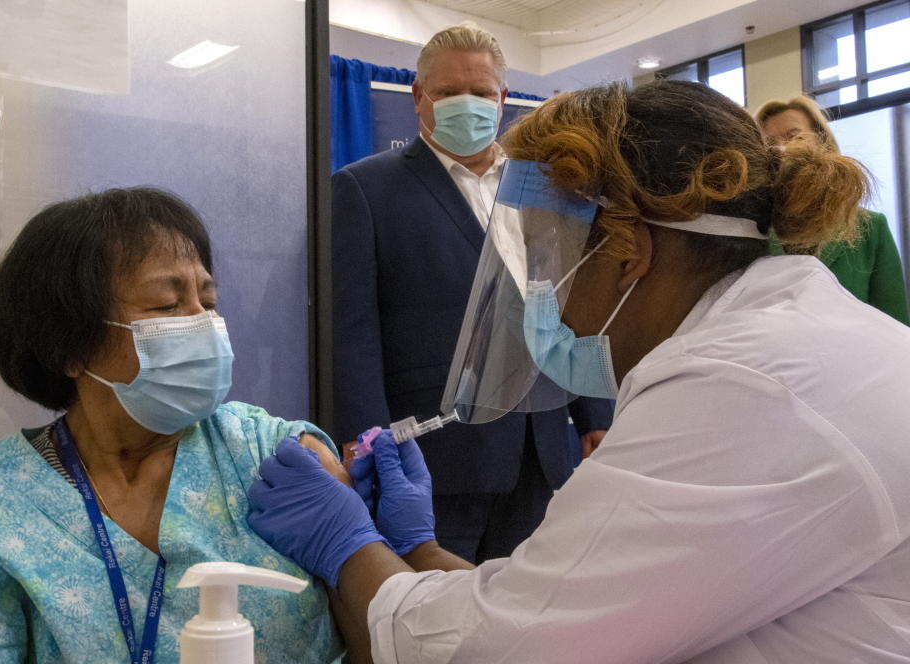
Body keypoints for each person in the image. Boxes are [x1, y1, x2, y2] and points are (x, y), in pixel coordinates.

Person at [249, 80, 910, 662]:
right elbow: (557, 606)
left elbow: (500, 650)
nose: (543, 294)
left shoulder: (740, 386)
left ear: (630, 254)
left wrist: (345, 545)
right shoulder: (784, 334)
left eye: (546, 259)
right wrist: (416, 546)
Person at [0, 188, 363, 662]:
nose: (204, 324)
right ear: (69, 346)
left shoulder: (278, 457)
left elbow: (382, 634)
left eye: (208, 302)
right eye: (167, 307)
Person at [331, 24, 613, 565]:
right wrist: (365, 440)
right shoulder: (364, 189)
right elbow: (352, 334)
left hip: (541, 445)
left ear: (503, 99)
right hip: (434, 455)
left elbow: (570, 300)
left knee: (522, 619)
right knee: (431, 622)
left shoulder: (544, 188)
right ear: (419, 99)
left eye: (482, 92)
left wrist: (596, 410)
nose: (469, 104)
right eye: (448, 92)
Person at [755, 95, 909, 324]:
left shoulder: (870, 227)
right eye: (769, 143)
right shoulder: (753, 228)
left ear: (822, 143)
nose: (782, 149)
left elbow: (895, 323)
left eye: (794, 136)